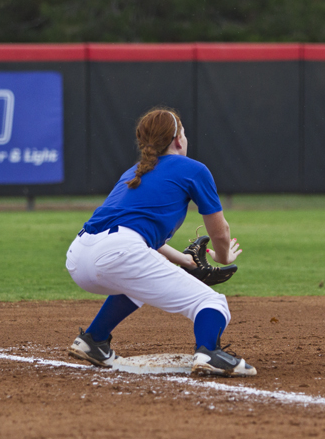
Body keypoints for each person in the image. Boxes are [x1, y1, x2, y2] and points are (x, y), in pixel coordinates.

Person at [65, 107, 256, 377]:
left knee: (135, 287)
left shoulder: (133, 172)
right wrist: (223, 256)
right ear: (178, 139)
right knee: (212, 303)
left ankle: (93, 340)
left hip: (78, 256)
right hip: (119, 253)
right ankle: (209, 352)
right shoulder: (194, 169)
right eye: (185, 133)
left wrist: (183, 260)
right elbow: (220, 231)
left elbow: (129, 232)